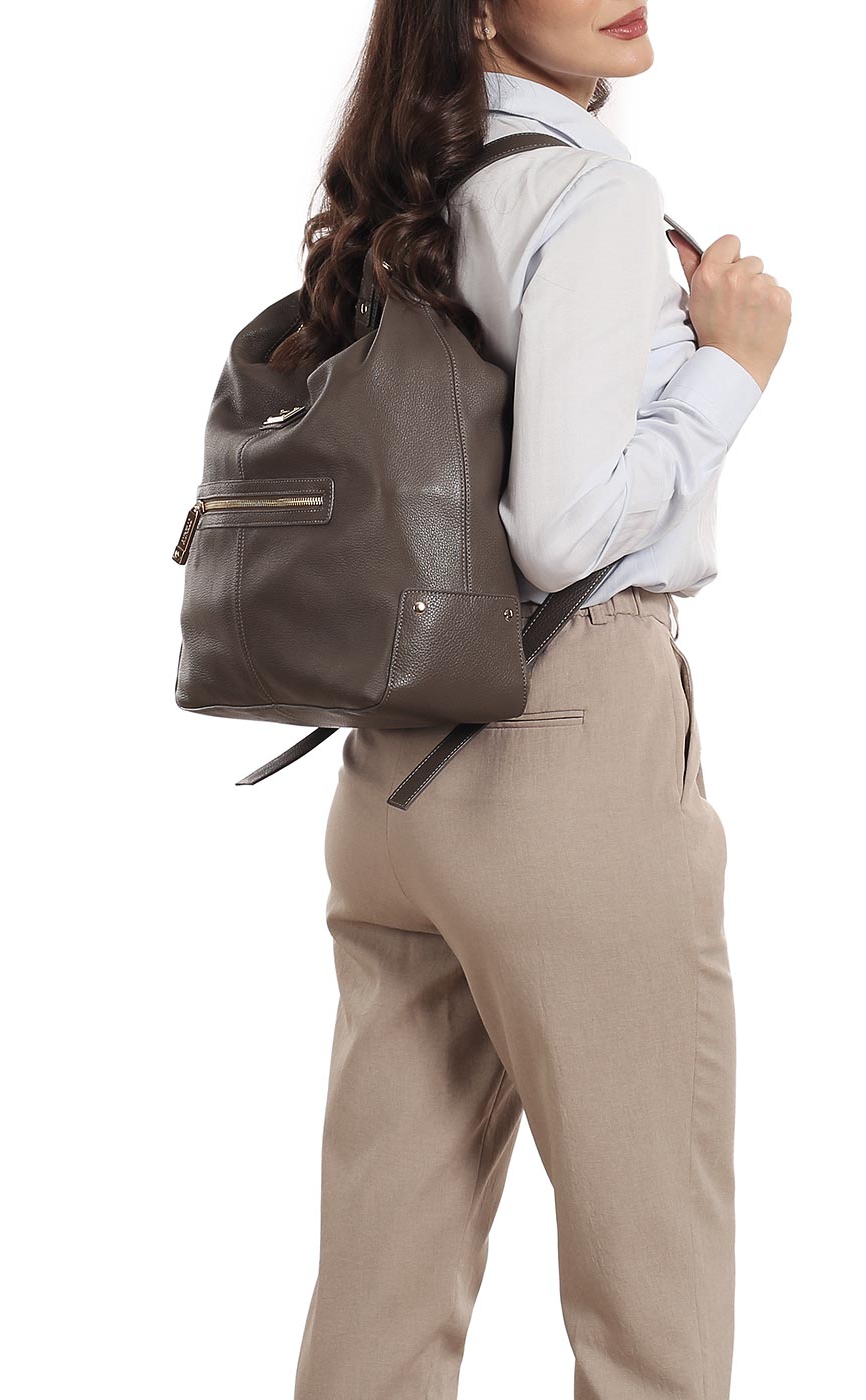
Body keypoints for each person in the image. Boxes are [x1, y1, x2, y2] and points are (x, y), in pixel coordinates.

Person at [269, 4, 791, 1396]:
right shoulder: (589, 197)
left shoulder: (407, 190)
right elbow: (558, 529)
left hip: (392, 771)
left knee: (380, 1303)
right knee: (650, 1300)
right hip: (568, 759)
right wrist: (728, 371)